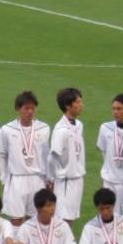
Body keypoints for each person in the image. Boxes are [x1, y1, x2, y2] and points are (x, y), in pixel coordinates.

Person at [0, 91, 50, 225]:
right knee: (15, 220)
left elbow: (47, 156)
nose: (30, 111)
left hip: (37, 179)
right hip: (17, 179)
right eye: (26, 108)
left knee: (34, 221)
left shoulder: (44, 129)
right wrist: (3, 179)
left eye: (33, 108)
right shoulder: (7, 129)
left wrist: (49, 179)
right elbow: (2, 155)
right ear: (18, 109)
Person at [48, 87, 85, 224]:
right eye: (78, 102)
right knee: (62, 221)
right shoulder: (61, 130)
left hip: (78, 178)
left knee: (71, 219)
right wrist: (52, 178)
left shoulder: (79, 125)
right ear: (67, 106)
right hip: (65, 181)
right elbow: (52, 158)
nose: (82, 105)